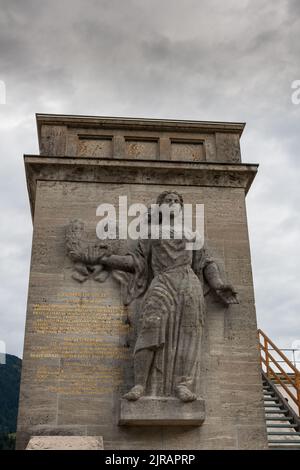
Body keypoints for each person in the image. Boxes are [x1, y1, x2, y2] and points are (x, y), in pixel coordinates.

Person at [101, 191, 238, 402]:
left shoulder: (192, 234)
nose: (172, 203)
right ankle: (140, 384)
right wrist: (105, 258)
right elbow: (135, 262)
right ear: (161, 207)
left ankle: (183, 385)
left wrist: (218, 284)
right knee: (149, 327)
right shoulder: (151, 234)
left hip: (188, 284)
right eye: (168, 201)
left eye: (176, 201)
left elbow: (205, 262)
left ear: (181, 207)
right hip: (162, 281)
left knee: (189, 336)